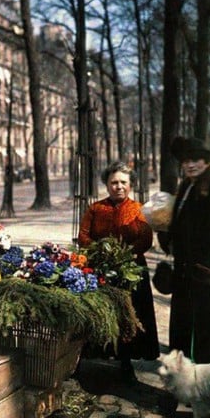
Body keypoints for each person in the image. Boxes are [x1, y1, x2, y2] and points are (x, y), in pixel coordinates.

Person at [78, 161, 160, 382]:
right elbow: (84, 235)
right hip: (102, 268)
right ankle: (98, 357)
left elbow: (145, 238)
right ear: (106, 185)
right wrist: (100, 252)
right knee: (102, 313)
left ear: (131, 185)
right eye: (114, 182)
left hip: (131, 269)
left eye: (123, 182)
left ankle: (126, 361)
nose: (119, 187)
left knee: (130, 314)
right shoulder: (96, 209)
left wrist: (123, 255)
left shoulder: (138, 210)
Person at [159, 137, 210, 363]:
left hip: (208, 274)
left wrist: (207, 266)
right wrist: (167, 235)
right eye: (185, 161)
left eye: (196, 160)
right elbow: (181, 223)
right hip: (185, 271)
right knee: (183, 328)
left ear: (205, 162)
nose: (190, 165)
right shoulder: (187, 186)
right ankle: (183, 383)